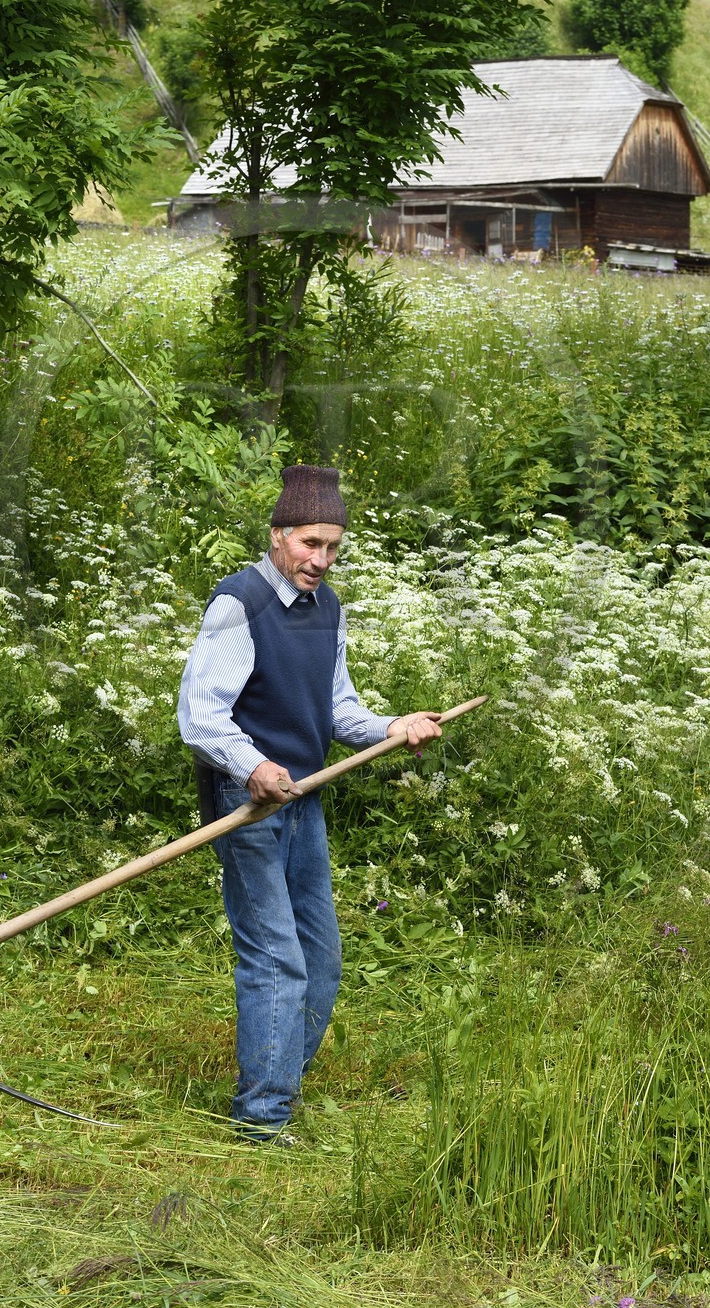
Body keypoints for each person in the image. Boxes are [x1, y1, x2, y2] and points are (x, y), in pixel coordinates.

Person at [177, 464, 442, 1144]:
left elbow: (336, 709)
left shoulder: (326, 611)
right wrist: (254, 765)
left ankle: (272, 1085)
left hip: (303, 795)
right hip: (248, 801)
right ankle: (262, 1119)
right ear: (277, 537)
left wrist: (391, 728)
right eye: (309, 545)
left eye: (331, 547)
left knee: (319, 959)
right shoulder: (240, 604)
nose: (320, 560)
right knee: (275, 956)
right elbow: (200, 717)